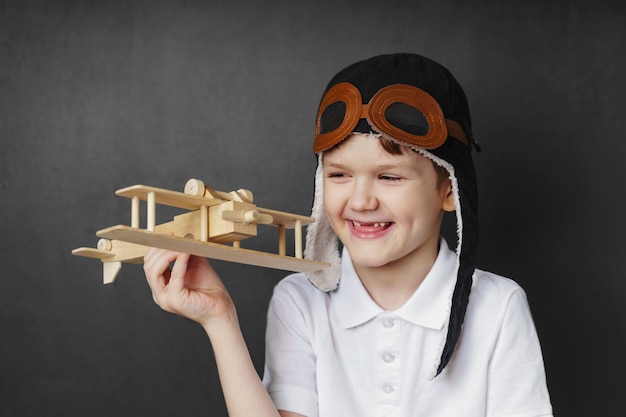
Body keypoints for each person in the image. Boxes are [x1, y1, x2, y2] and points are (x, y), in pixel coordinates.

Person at [143, 53, 553, 417]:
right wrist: (220, 322)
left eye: (389, 177)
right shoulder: (300, 302)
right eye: (339, 175)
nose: (360, 201)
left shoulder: (498, 308)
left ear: (450, 189)